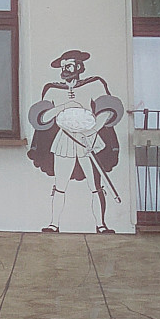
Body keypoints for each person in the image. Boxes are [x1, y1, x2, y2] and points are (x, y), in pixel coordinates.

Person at [27, 49, 124, 233]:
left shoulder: (94, 84)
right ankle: (54, 224)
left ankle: (101, 225)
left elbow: (107, 110)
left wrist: (92, 131)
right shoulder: (52, 89)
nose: (65, 69)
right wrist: (64, 106)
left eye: (69, 65)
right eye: (63, 66)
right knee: (60, 184)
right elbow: (43, 117)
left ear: (79, 67)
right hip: (65, 139)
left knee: (95, 185)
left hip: (89, 139)